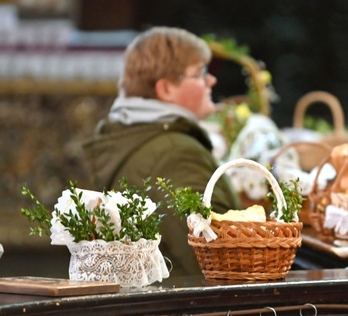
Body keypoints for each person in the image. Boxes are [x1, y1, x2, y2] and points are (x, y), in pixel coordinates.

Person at [82, 27, 243, 278]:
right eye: (200, 73)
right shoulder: (176, 153)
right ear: (166, 89)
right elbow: (217, 261)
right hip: (190, 311)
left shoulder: (135, 134)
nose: (211, 80)